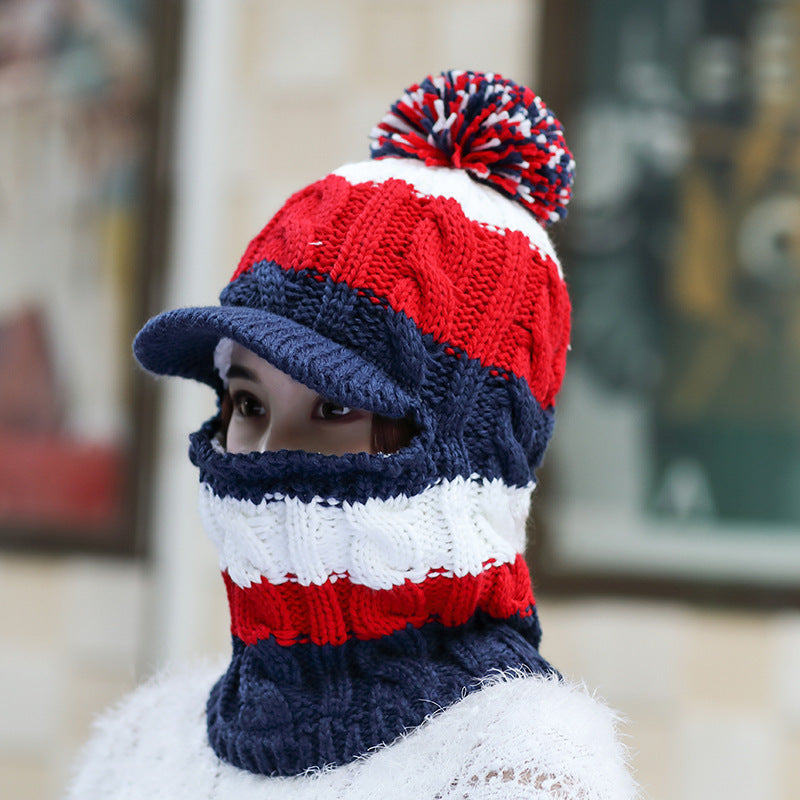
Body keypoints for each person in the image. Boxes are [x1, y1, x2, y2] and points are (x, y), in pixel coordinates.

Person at [66, 70, 637, 799]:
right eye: (247, 404)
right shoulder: (141, 745)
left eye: (335, 410)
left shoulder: (513, 777)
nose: (266, 458)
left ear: (469, 461)